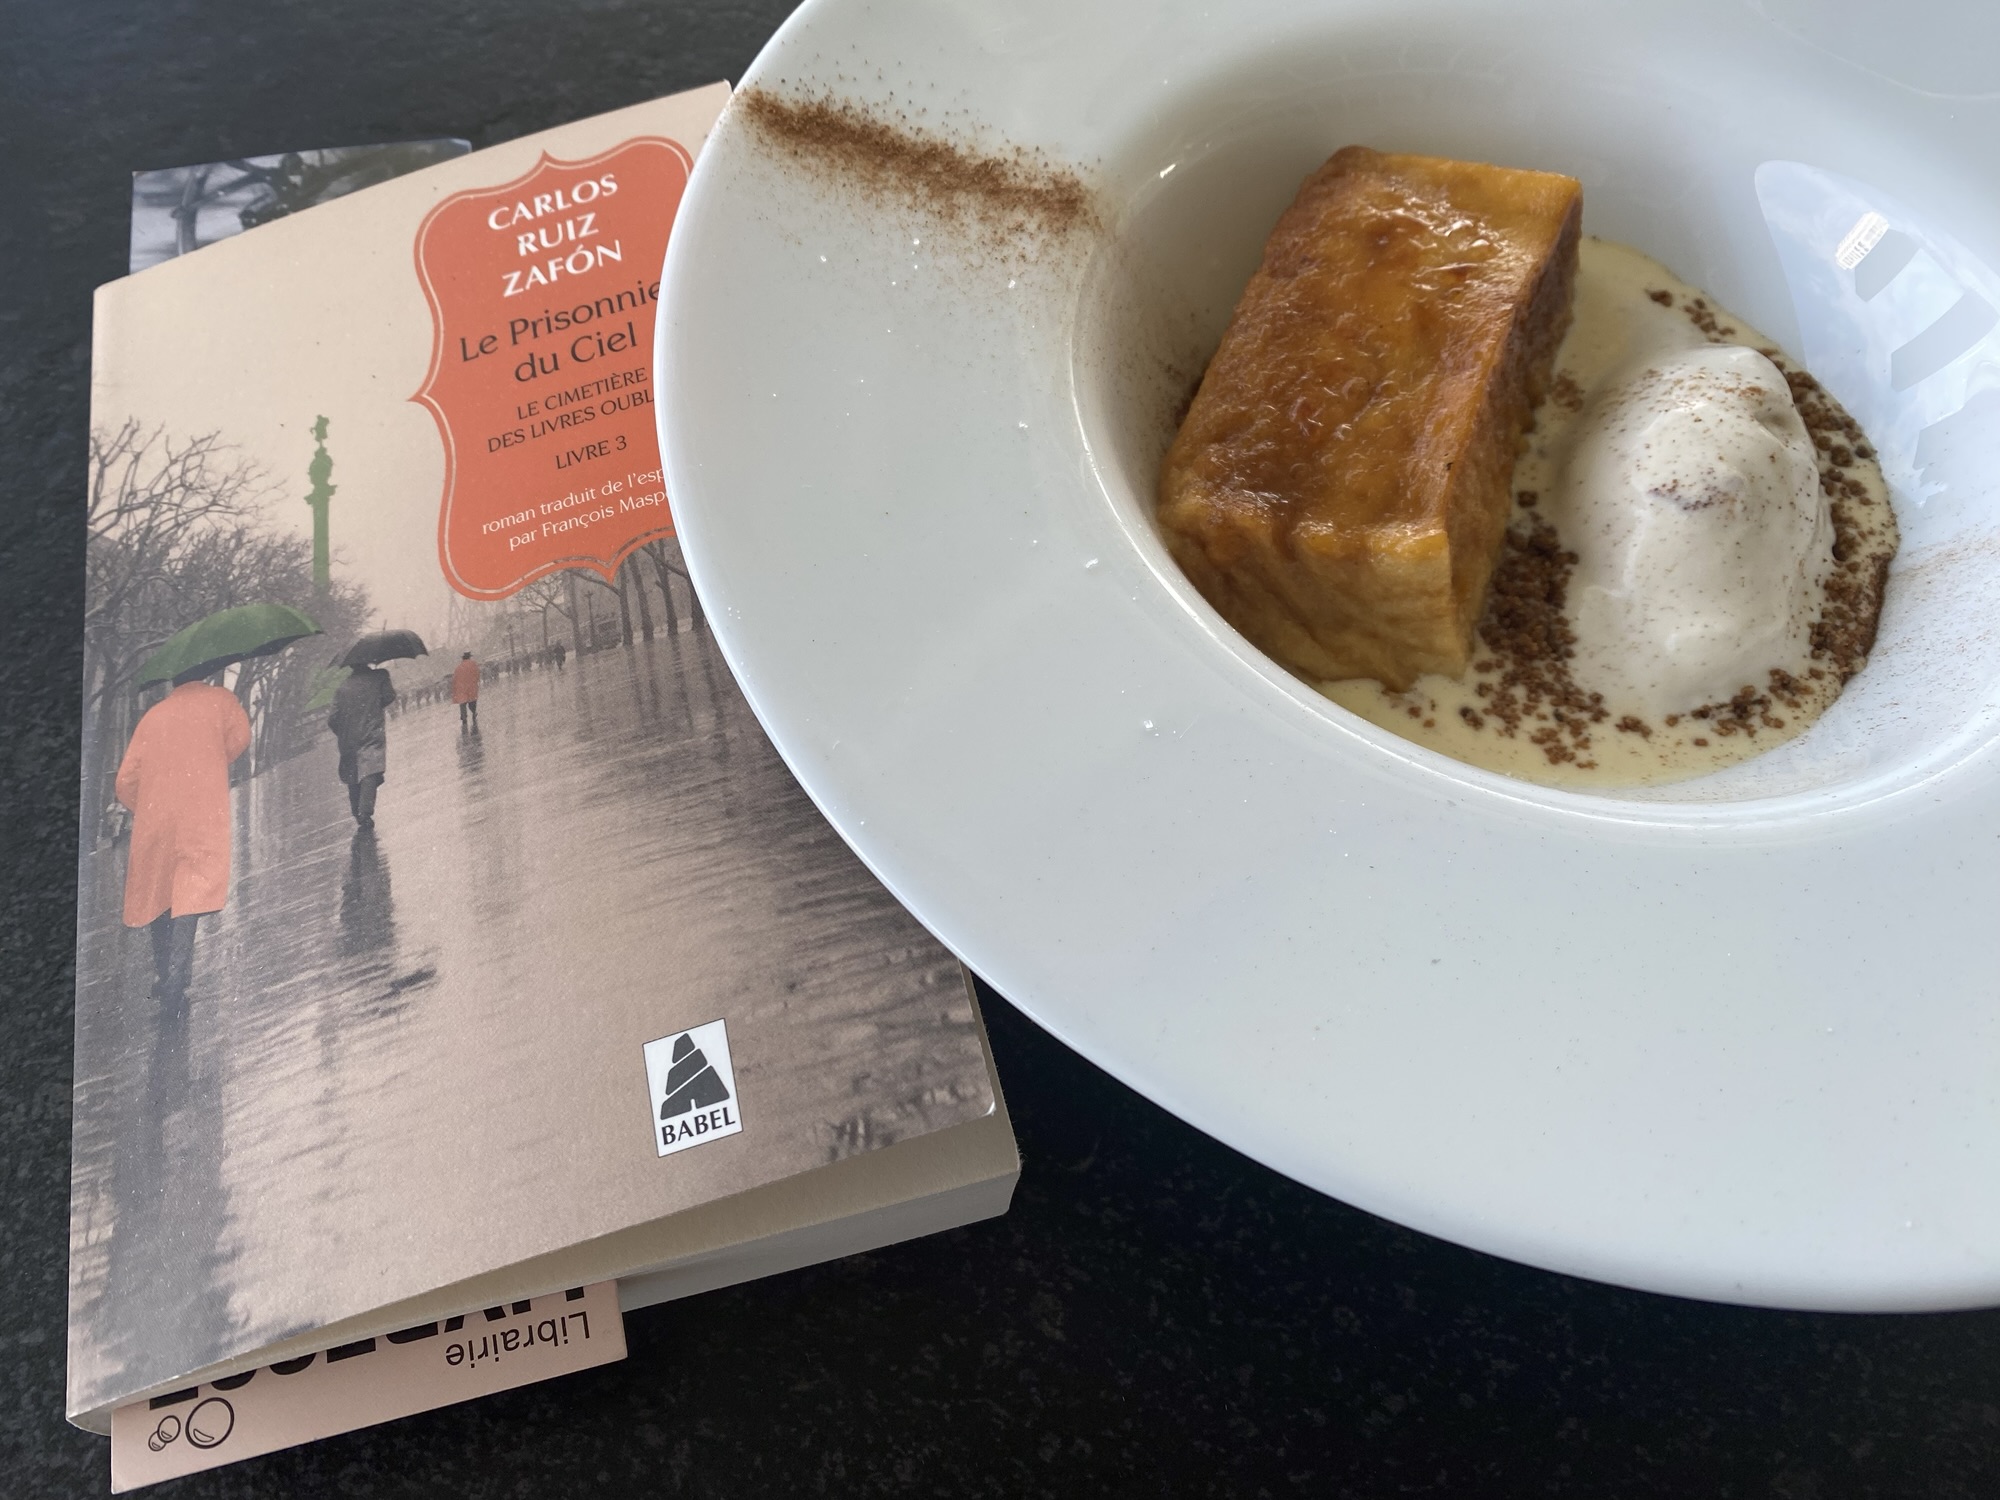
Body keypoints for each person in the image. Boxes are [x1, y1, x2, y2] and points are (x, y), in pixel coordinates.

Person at [115, 669, 251, 1007]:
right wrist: (211, 761)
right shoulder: (220, 700)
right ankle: (178, 974)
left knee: (159, 893)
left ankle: (165, 972)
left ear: (171, 679)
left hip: (156, 816)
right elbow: (240, 738)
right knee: (190, 890)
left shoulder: (152, 717)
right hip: (201, 810)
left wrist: (144, 806)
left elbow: (125, 780)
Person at [329, 663, 396, 826]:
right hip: (371, 731)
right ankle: (365, 811)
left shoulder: (342, 688)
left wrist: (342, 732)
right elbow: (389, 696)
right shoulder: (380, 676)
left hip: (349, 736)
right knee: (370, 770)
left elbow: (333, 718)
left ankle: (357, 811)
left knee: (354, 774)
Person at [452, 651, 481, 731]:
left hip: (461, 688)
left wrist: (456, 688)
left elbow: (454, 679)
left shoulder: (458, 668)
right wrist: (476, 681)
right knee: (472, 701)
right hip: (471, 686)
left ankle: (464, 717)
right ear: (469, 657)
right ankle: (474, 712)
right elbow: (477, 674)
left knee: (463, 703)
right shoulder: (473, 664)